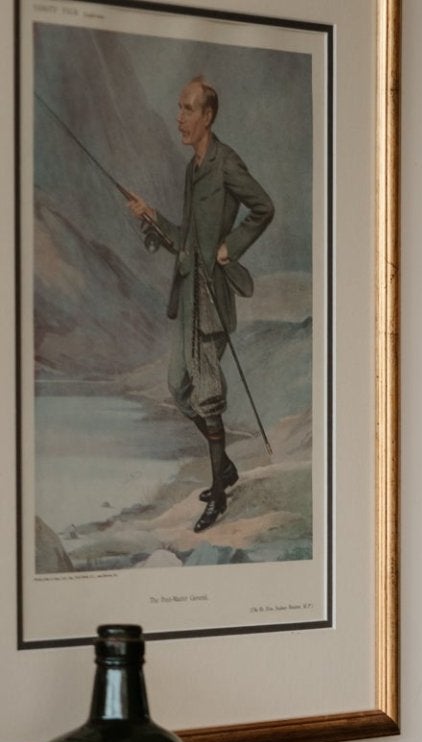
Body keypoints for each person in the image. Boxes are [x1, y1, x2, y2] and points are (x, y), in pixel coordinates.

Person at [126, 77, 273, 534]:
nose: (180, 118)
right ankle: (224, 467)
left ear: (207, 116)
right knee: (177, 386)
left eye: (188, 109)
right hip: (188, 295)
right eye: (179, 108)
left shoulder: (226, 163)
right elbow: (187, 241)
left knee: (208, 395)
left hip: (211, 299)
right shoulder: (193, 168)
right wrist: (152, 217)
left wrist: (231, 246)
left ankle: (220, 496)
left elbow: (263, 207)